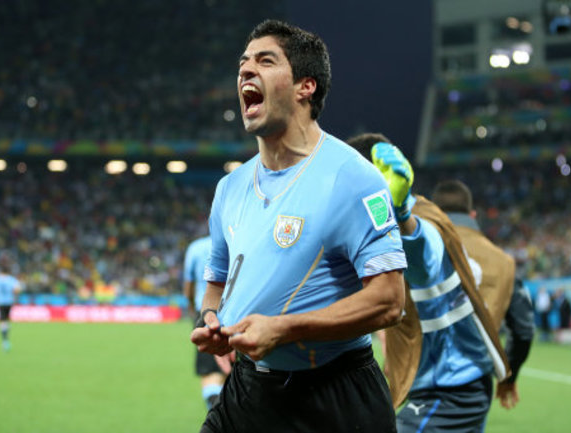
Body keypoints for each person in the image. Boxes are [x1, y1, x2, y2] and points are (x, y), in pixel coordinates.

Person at [190, 20, 406, 433]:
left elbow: (389, 300)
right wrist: (212, 320)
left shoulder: (353, 178)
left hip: (336, 395)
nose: (245, 71)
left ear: (305, 86)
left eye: (265, 61)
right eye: (243, 63)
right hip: (250, 390)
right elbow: (217, 281)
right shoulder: (229, 188)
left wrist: (284, 329)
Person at [347, 132, 511, 433]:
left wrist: (399, 214)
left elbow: (424, 262)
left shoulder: (419, 216)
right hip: (446, 384)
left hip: (449, 389)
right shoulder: (375, 225)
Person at [431, 179, 534, 411]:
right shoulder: (504, 262)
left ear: (434, 212)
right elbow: (524, 330)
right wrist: (508, 377)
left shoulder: (416, 248)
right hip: (474, 380)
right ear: (473, 215)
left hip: (418, 374)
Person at [182, 235, 227, 410]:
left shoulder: (195, 247)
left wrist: (193, 310)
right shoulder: (236, 239)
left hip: (207, 312)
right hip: (236, 313)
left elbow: (189, 285)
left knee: (210, 373)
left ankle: (216, 417)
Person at [0, 261, 22, 352]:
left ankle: (5, 340)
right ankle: (6, 338)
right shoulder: (12, 279)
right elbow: (17, 290)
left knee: (2, 320)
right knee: (6, 319)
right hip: (9, 301)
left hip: (0, 301)